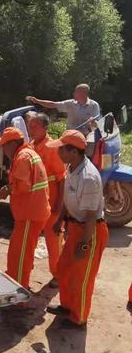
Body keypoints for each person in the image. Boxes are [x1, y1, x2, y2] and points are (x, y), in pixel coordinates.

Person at [45, 130, 108, 328]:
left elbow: (90, 216)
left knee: (81, 278)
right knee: (64, 269)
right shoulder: (71, 168)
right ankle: (67, 306)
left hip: (90, 231)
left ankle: (79, 317)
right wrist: (60, 220)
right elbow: (67, 198)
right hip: (74, 227)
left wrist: (84, 244)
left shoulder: (88, 178)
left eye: (61, 149)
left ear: (73, 151)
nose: (57, 152)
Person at [0, 127, 51, 290]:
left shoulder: (23, 156)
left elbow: (23, 186)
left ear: (12, 144)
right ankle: (15, 279)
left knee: (20, 255)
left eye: (4, 146)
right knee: (20, 252)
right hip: (32, 213)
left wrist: (7, 189)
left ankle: (18, 293)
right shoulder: (28, 154)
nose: (3, 150)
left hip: (29, 215)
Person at [28, 113, 66, 286]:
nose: (31, 129)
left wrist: (59, 209)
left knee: (54, 243)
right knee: (29, 242)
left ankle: (59, 275)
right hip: (35, 206)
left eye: (35, 126)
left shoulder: (52, 148)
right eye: (30, 126)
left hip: (51, 205)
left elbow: (61, 179)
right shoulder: (29, 147)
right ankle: (25, 274)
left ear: (45, 128)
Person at [26, 84, 100, 135]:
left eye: (76, 92)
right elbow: (53, 104)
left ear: (84, 93)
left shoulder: (94, 105)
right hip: (70, 134)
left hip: (85, 136)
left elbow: (96, 125)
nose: (73, 93)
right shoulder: (70, 103)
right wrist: (37, 101)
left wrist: (93, 122)